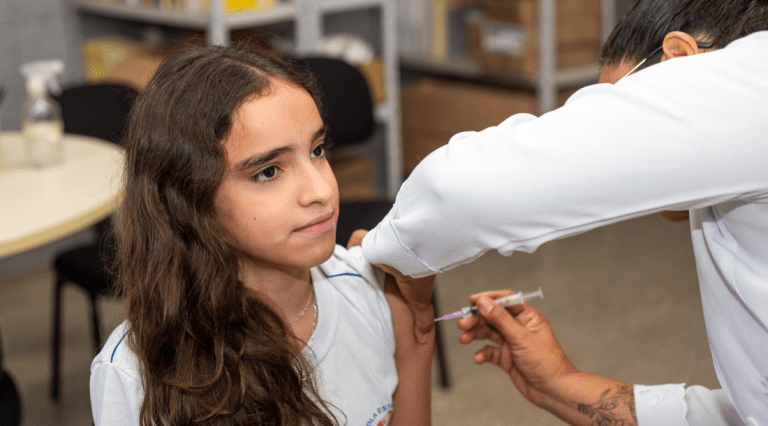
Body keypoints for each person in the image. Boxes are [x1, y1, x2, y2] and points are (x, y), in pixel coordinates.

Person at [360, 0, 768, 424]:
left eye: (621, 103)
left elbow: (461, 191)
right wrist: (560, 384)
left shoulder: (751, 87)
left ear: (682, 60)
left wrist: (393, 256)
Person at [89, 42, 435, 426]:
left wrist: (416, 331)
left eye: (318, 150)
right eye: (268, 171)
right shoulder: (133, 373)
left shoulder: (371, 292)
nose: (321, 191)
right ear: (190, 198)